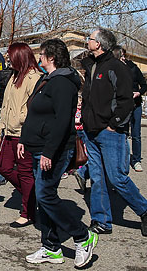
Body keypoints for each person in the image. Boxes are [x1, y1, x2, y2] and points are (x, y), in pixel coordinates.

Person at [21, 38, 97, 267]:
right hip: (37, 147)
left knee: (45, 195)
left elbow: (62, 121)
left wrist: (49, 152)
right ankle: (51, 247)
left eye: (42, 54)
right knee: (43, 198)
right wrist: (24, 139)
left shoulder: (63, 82)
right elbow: (34, 112)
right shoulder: (47, 79)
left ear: (51, 57)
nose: (39, 58)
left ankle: (82, 236)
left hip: (54, 150)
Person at [80, 28, 147, 237]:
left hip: (110, 132)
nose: (87, 41)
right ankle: (102, 220)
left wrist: (114, 124)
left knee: (117, 178)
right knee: (97, 178)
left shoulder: (116, 67)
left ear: (99, 44)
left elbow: (126, 100)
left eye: (90, 38)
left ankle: (145, 210)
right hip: (91, 131)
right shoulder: (92, 66)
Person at [0, 42, 40, 226]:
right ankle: (34, 197)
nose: (8, 59)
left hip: (23, 132)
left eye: (10, 56)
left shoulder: (33, 77)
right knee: (3, 167)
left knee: (25, 172)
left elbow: (34, 108)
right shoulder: (14, 75)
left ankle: (27, 212)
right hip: (8, 131)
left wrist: (21, 119)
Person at [112, 46, 147, 172]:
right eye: (120, 56)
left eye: (124, 55)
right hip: (122, 105)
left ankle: (136, 160)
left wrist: (138, 93)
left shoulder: (133, 67)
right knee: (122, 133)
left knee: (136, 134)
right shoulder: (113, 69)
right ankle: (122, 158)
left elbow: (144, 85)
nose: (123, 58)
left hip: (136, 104)